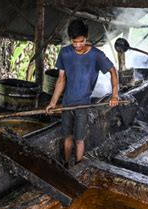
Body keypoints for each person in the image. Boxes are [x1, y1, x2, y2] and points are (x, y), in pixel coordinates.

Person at [46, 19, 119, 168]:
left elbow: (113, 71)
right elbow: (61, 79)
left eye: (81, 41)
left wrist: (115, 95)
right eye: (75, 42)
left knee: (79, 139)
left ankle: (78, 167)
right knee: (67, 137)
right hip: (67, 103)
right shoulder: (65, 53)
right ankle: (66, 164)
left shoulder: (96, 55)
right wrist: (53, 103)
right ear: (70, 39)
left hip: (83, 105)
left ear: (87, 37)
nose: (78, 45)